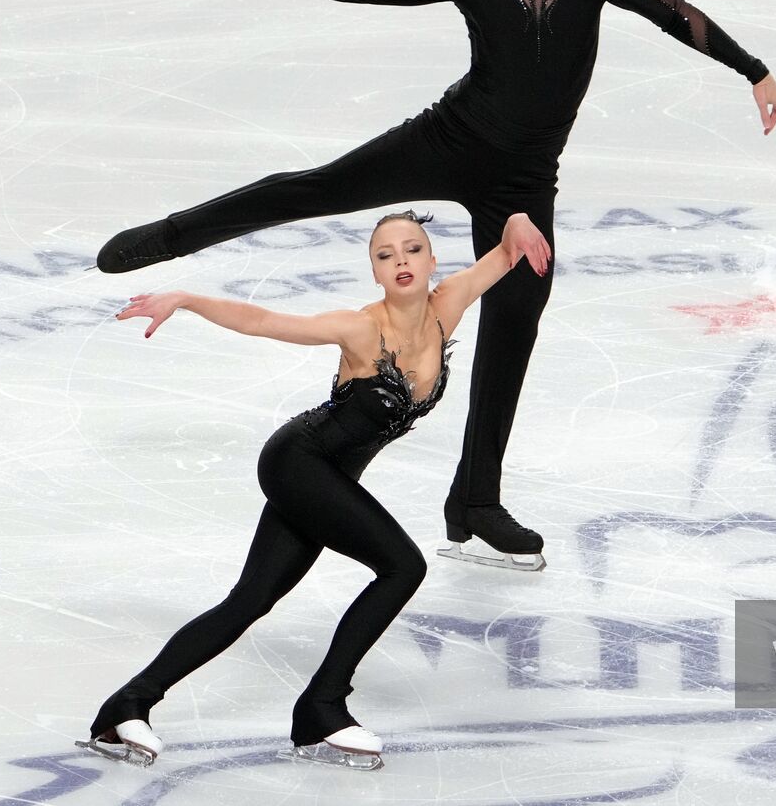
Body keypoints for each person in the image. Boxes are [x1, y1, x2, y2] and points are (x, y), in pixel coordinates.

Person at [94, 0, 776, 569]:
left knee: (517, 314)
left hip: (521, 183)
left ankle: (475, 503)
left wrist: (754, 69)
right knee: (318, 187)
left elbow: (677, 13)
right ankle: (173, 237)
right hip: (448, 141)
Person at [77, 211, 553, 770]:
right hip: (298, 462)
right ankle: (322, 707)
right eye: (385, 255)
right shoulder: (361, 328)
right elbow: (262, 321)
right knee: (403, 566)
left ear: (431, 260)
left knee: (250, 600)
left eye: (412, 249)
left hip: (326, 478)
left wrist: (519, 218)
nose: (400, 260)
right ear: (375, 272)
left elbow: (503, 254)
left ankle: (126, 705)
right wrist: (185, 298)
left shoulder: (448, 305)